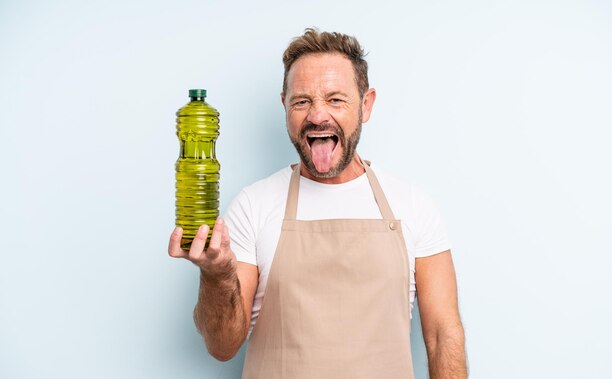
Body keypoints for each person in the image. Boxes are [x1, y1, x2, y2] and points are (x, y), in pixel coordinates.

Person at [169, 28, 467, 378]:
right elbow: (222, 346)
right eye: (302, 101)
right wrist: (217, 275)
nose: (317, 116)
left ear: (366, 104)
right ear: (285, 106)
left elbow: (442, 335)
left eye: (336, 100)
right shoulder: (254, 204)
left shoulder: (413, 205)